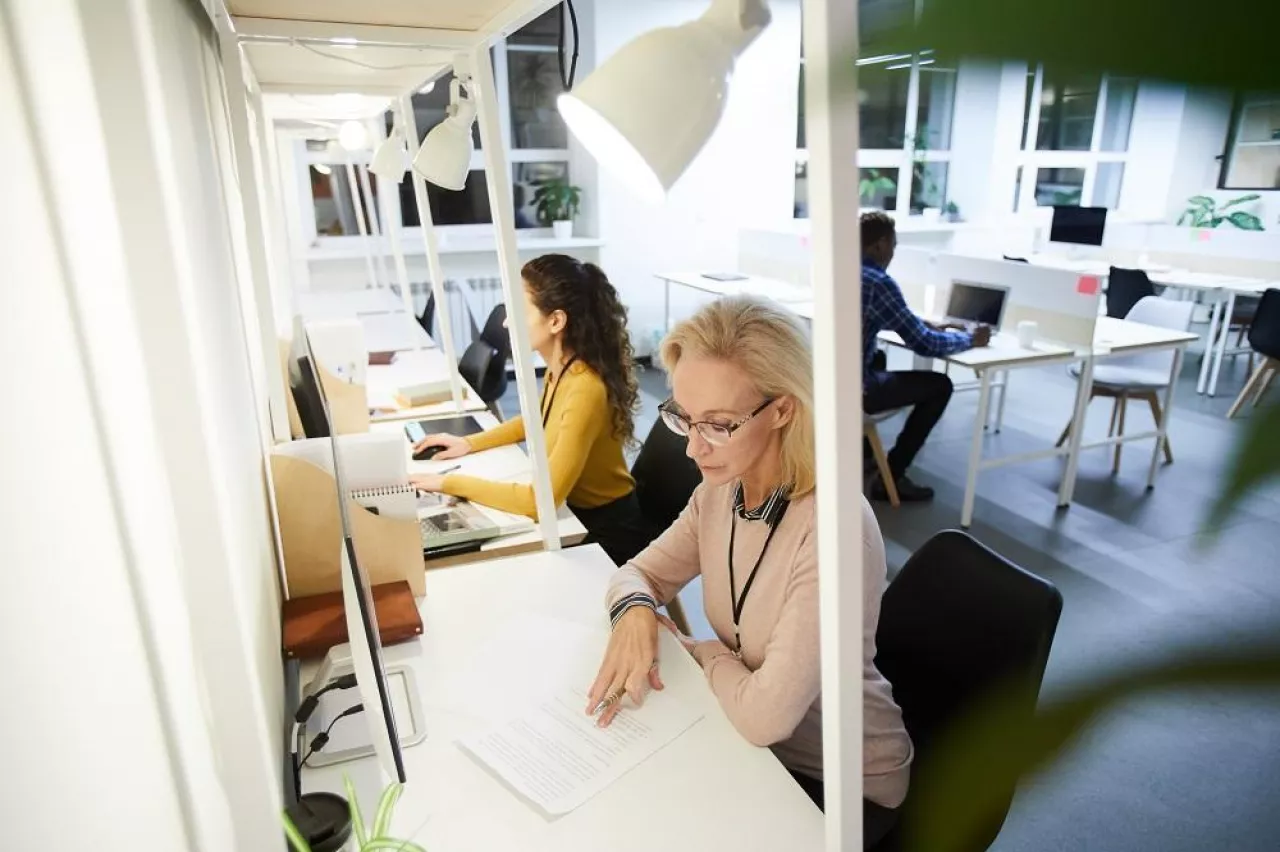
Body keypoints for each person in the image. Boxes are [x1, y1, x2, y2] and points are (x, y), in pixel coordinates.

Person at [586, 296, 913, 846]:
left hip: (842, 783)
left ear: (782, 410)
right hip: (750, 741)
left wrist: (706, 650)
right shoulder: (722, 493)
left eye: (717, 425)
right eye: (684, 420)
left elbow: (766, 717)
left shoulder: (833, 530)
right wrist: (637, 610)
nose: (693, 448)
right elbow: (634, 574)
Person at [407, 254, 652, 566]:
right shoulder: (563, 368)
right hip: (575, 517)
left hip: (608, 537)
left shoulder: (585, 386)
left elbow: (541, 502)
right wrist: (468, 443)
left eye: (518, 311)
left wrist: (448, 483)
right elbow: (537, 419)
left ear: (555, 321)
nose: (507, 321)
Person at [861, 211, 991, 502]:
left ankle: (865, 455)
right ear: (880, 245)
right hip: (856, 391)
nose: (893, 253)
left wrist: (922, 322)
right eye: (893, 245)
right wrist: (970, 338)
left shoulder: (842, 272)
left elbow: (882, 316)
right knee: (940, 386)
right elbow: (925, 345)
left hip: (826, 386)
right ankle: (891, 475)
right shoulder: (879, 282)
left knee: (878, 356)